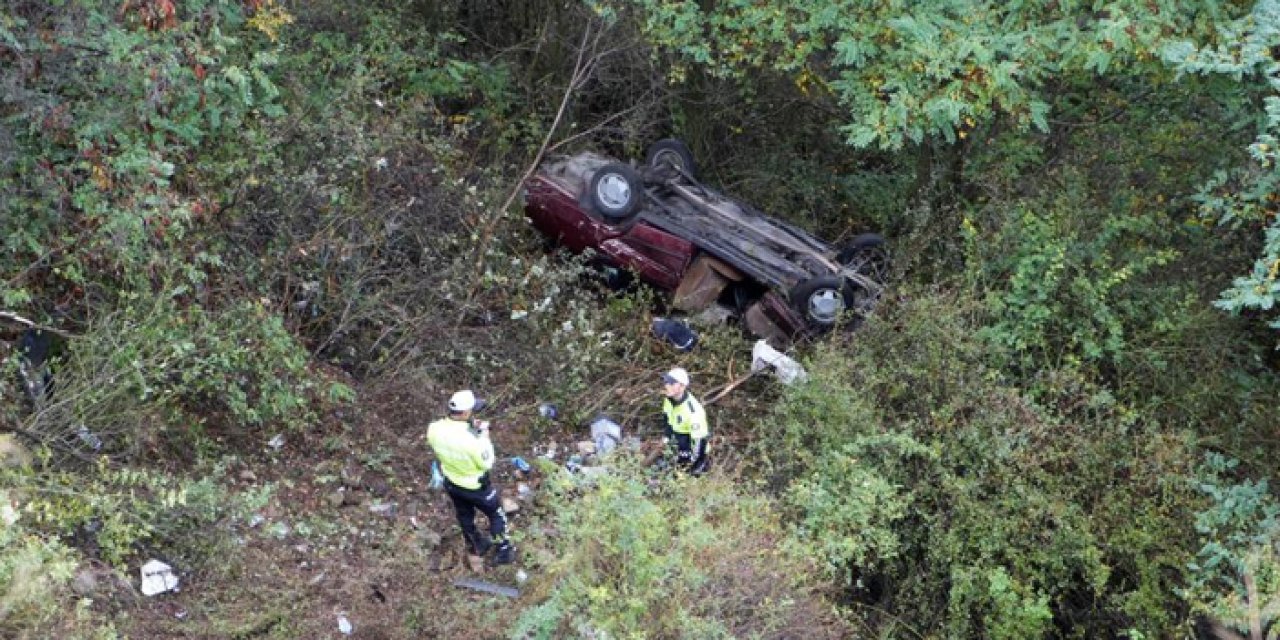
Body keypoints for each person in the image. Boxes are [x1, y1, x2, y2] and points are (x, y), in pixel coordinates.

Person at [427, 389, 515, 565]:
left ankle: (476, 544)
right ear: (466, 412)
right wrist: (484, 436)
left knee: (464, 514)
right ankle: (503, 551)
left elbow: (450, 437)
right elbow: (487, 462)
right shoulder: (472, 441)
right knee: (496, 515)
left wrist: (469, 427)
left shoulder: (434, 429)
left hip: (452, 483)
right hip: (476, 487)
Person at [660, 367, 710, 475]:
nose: (667, 385)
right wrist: (666, 438)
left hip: (691, 449)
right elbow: (667, 420)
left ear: (682, 386)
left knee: (684, 477)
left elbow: (699, 443)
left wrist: (692, 465)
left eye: (672, 383)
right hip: (677, 443)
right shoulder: (668, 400)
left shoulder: (694, 413)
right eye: (666, 381)